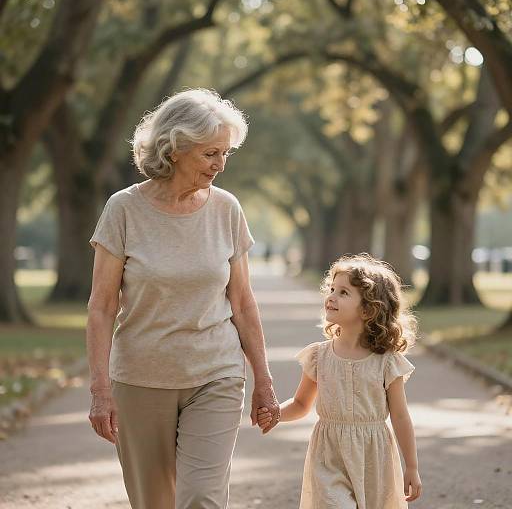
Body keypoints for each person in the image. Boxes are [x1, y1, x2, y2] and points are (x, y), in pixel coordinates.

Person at [86, 88, 280, 509]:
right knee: (154, 501)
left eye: (225, 154)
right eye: (211, 153)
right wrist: (100, 389)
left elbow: (243, 303)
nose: (220, 164)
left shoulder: (227, 209)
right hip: (141, 377)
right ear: (175, 148)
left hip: (216, 373)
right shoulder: (123, 209)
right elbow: (101, 307)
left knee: (202, 498)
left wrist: (263, 380)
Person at [257, 253, 422, 508]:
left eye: (344, 292)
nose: (331, 297)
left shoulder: (387, 362)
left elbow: (400, 416)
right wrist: (277, 413)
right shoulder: (318, 356)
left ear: (369, 309)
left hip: (373, 458)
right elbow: (301, 404)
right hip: (329, 456)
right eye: (332, 289)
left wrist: (411, 466)